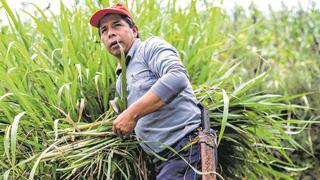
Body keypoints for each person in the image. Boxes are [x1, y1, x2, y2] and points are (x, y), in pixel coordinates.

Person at [90, 3, 202, 179]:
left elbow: (177, 76)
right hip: (160, 161)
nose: (110, 33)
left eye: (117, 25)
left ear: (134, 31)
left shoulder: (149, 48)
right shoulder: (121, 80)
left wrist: (131, 114)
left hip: (185, 148)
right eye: (104, 30)